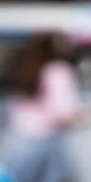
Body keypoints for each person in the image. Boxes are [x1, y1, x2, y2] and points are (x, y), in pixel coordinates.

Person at [2, 32, 82, 182]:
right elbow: (64, 112)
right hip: (46, 140)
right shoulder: (58, 71)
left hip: (21, 139)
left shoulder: (26, 65)